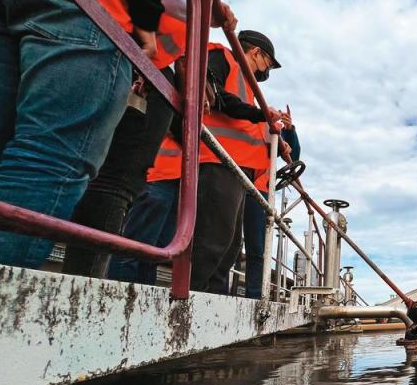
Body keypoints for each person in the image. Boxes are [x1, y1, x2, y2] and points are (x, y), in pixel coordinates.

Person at [0, 0, 242, 269]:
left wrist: (201, 7)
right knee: (52, 155)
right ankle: (2, 308)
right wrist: (144, 22)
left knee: (0, 144)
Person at [109, 32, 289, 292]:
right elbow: (215, 96)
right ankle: (164, 300)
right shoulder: (221, 58)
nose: (267, 71)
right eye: (268, 64)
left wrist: (278, 134)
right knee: (193, 244)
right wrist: (260, 113)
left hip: (228, 170)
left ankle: (196, 303)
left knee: (224, 248)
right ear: (256, 53)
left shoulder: (249, 88)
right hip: (206, 162)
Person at [240, 123, 300, 299]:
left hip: (260, 189)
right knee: (228, 239)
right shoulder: (245, 117)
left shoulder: (269, 125)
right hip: (234, 178)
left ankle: (255, 296)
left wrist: (290, 132)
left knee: (257, 247)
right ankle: (214, 291)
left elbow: (293, 157)